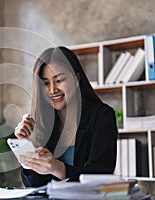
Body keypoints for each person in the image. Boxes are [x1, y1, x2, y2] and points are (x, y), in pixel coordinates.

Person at [14, 46, 118, 187]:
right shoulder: (41, 122)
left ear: (76, 79)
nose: (52, 90)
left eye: (59, 80)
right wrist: (28, 146)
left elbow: (101, 173)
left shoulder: (102, 116)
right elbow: (34, 185)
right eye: (45, 83)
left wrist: (57, 168)